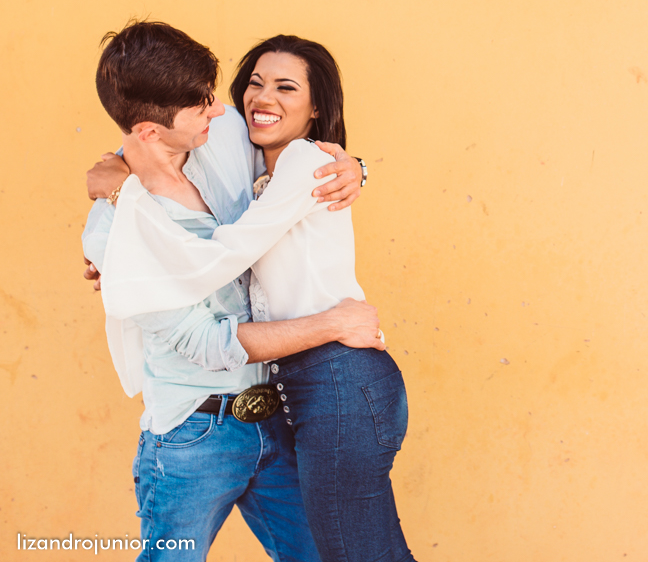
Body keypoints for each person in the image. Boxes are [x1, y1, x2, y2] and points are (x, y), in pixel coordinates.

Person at [90, 33, 417, 562]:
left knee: (349, 553)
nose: (223, 107)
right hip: (196, 433)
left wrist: (356, 167)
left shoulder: (228, 142)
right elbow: (203, 340)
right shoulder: (116, 226)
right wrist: (122, 203)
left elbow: (293, 160)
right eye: (202, 101)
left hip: (287, 409)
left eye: (213, 93)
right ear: (151, 129)